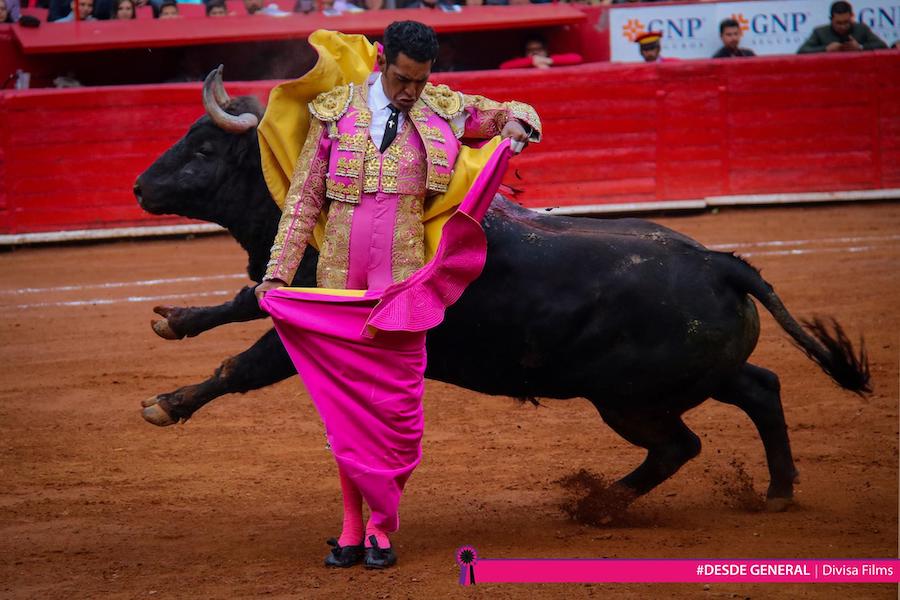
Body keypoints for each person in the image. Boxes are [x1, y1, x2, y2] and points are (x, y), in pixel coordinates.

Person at [254, 21, 540, 569]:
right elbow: (305, 200)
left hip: (404, 292)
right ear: (383, 61)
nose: (411, 91)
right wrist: (278, 276)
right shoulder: (334, 112)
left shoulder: (443, 107)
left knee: (397, 416)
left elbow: (512, 113)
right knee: (348, 416)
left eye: (421, 81)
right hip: (341, 290)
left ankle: (383, 525)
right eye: (403, 79)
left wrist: (522, 124)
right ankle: (352, 527)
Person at [798, 1, 887, 53]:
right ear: (831, 19)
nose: (843, 26)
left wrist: (860, 47)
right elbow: (802, 52)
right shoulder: (820, 32)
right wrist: (826, 49)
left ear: (852, 17)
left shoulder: (862, 29)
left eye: (846, 22)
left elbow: (883, 46)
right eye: (839, 23)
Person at [499, 34, 583, 69]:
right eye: (530, 50)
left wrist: (549, 61)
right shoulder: (522, 63)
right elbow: (504, 66)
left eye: (539, 49)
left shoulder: (553, 60)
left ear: (546, 50)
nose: (535, 52)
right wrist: (532, 60)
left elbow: (577, 58)